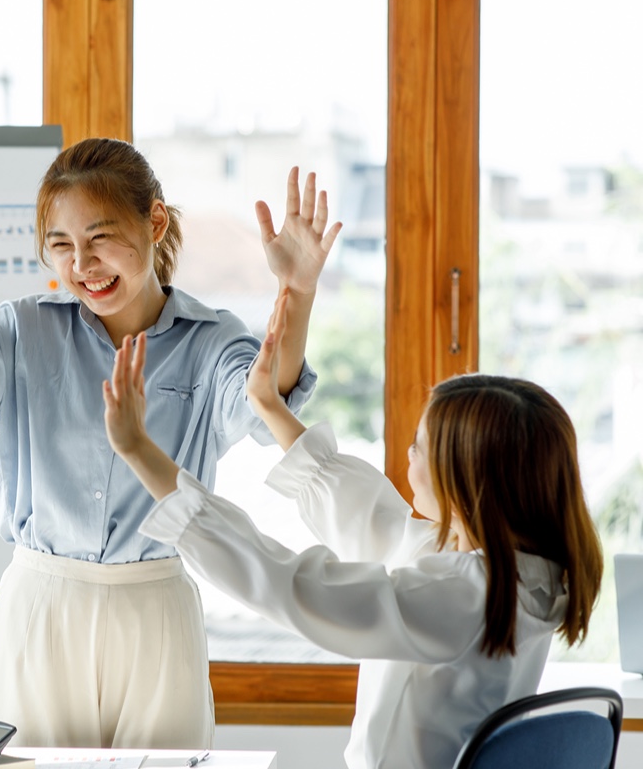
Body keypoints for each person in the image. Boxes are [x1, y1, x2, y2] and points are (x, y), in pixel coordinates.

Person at [0, 138, 341, 747]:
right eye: (61, 245)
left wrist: (297, 291)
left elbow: (266, 406)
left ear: (155, 222)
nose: (82, 264)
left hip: (155, 604)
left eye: (100, 237)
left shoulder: (211, 340)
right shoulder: (21, 330)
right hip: (41, 605)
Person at [101, 291, 604, 769]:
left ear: (468, 483)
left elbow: (294, 586)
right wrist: (271, 407)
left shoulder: (466, 594)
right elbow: (374, 521)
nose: (408, 454)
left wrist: (139, 451)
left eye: (419, 446)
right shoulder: (524, 575)